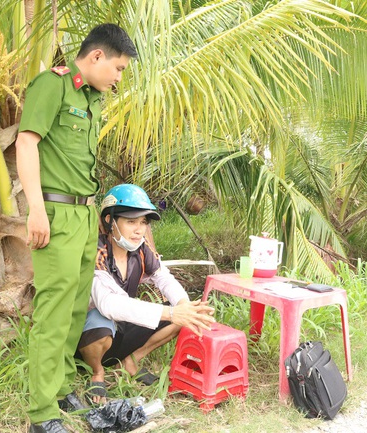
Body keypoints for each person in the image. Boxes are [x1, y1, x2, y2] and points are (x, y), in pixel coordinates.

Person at [16, 24, 138, 433]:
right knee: (52, 312)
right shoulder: (54, 86)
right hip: (55, 213)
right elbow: (27, 143)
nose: (119, 77)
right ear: (97, 57)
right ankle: (41, 414)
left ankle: (62, 386)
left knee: (74, 309)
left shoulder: (93, 99)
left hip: (85, 216)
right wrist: (35, 209)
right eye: (119, 68)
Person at [75, 184, 216, 405]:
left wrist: (184, 306)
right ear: (110, 221)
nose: (139, 230)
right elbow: (109, 305)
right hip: (91, 332)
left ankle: (131, 361)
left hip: (122, 325)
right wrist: (171, 312)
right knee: (102, 326)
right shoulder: (97, 251)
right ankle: (97, 371)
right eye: (131, 221)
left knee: (183, 319)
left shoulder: (141, 251)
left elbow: (164, 277)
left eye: (143, 222)